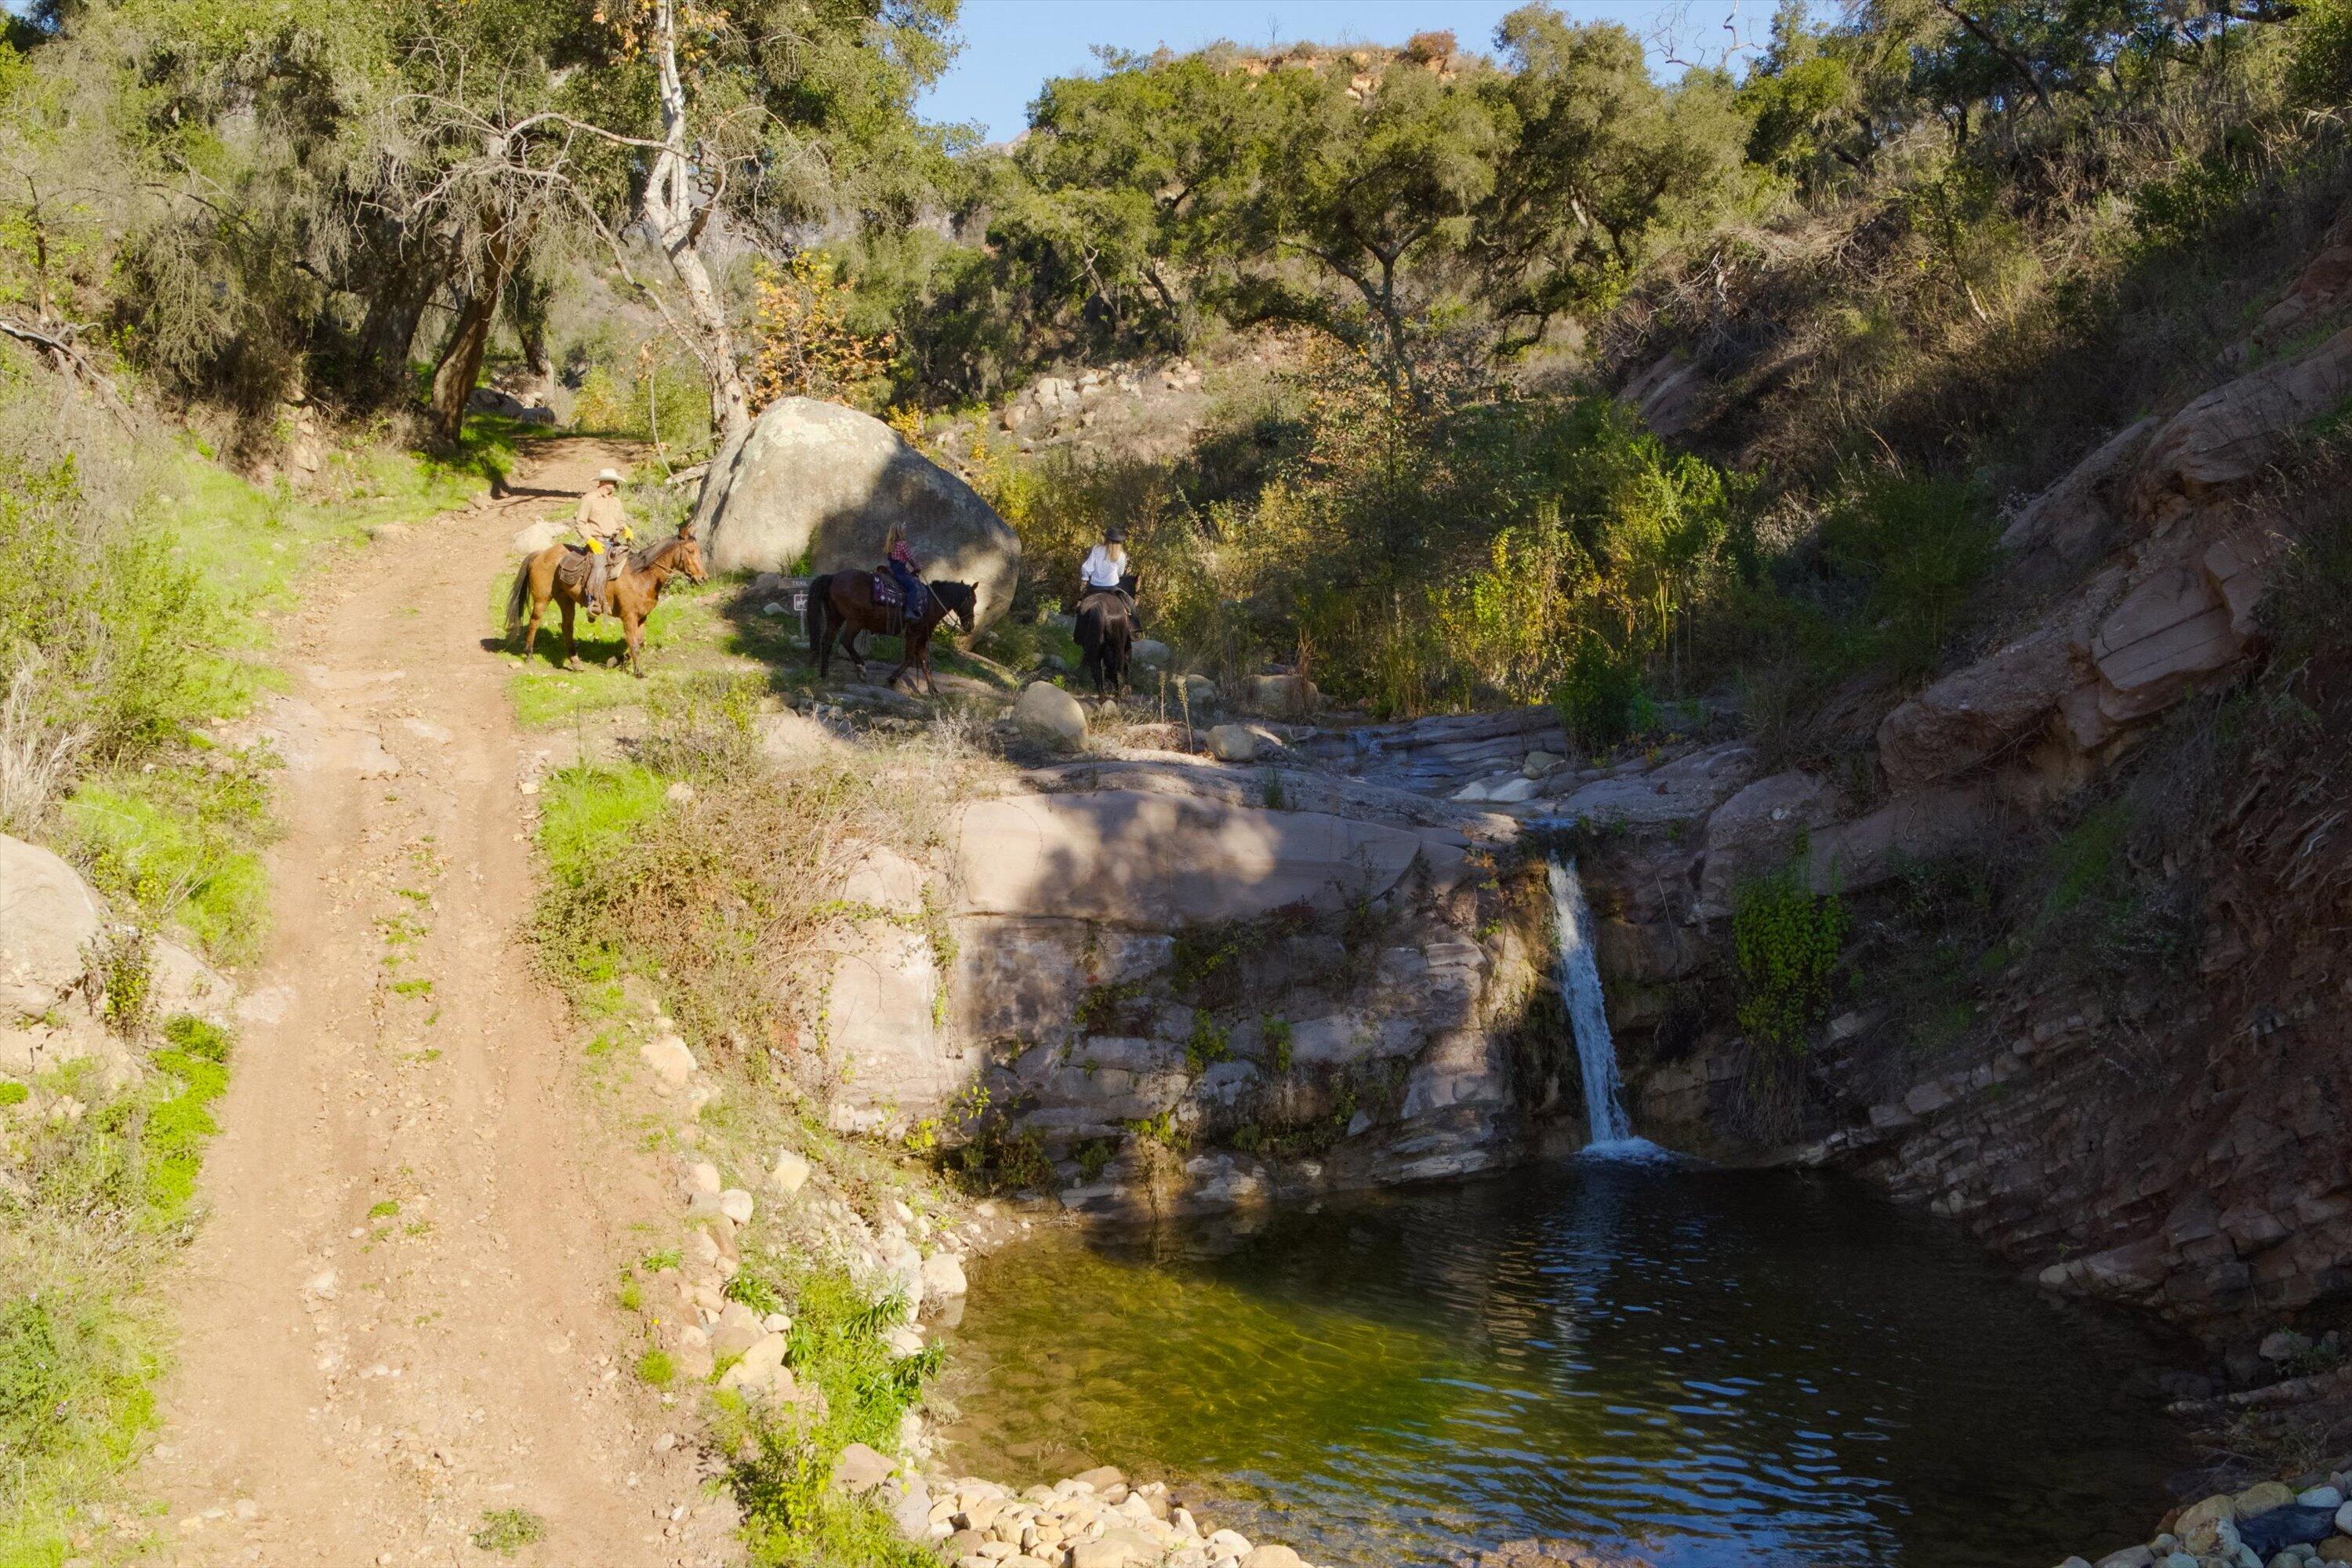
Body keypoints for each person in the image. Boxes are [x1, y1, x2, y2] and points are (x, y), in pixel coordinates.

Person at [573, 467, 633, 621]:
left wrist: (626, 528)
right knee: (599, 566)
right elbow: (580, 522)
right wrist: (590, 540)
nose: (615, 486)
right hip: (597, 541)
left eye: (615, 483)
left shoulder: (616, 501)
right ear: (604, 482)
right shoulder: (589, 499)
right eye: (613, 483)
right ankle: (593, 601)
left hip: (614, 541)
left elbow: (621, 520)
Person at [1077, 527, 1136, 625]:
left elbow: (1087, 568)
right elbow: (1120, 573)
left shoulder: (1097, 549)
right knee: (1129, 604)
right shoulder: (1121, 555)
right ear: (1119, 542)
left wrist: (1085, 578)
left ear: (1106, 539)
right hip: (1112, 587)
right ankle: (1134, 630)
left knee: (1080, 605)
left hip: (1094, 586)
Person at [882, 523, 927, 621]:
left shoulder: (890, 544)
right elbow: (910, 559)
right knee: (913, 589)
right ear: (899, 531)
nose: (904, 530)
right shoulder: (903, 544)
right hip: (900, 572)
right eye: (903, 529)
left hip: (892, 570)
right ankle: (909, 611)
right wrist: (917, 568)